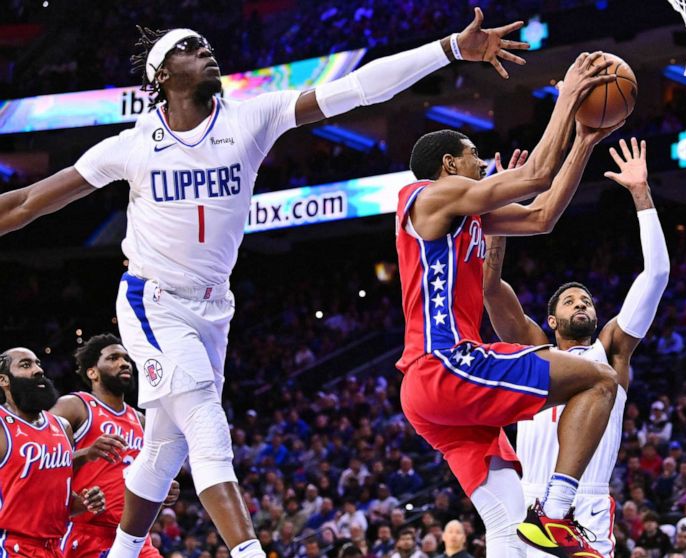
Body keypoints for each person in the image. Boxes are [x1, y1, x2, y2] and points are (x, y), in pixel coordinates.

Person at [0, 12, 532, 558]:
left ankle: (122, 552)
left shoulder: (251, 117)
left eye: (206, 41)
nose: (206, 48)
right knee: (206, 422)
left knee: (162, 445)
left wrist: (448, 48)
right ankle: (249, 551)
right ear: (162, 76)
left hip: (214, 308)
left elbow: (357, 88)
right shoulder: (131, 146)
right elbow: (22, 203)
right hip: (150, 300)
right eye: (189, 46)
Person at [395, 52, 621, 557]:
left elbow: (542, 216)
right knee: (599, 379)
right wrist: (565, 100)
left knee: (506, 523)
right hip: (446, 364)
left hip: (431, 396)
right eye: (474, 154)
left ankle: (542, 520)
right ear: (450, 165)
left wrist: (583, 142)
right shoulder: (428, 196)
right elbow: (538, 174)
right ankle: (559, 512)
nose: (483, 160)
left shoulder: (468, 215)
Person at [483, 136, 669, 557]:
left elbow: (656, 275)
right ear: (551, 321)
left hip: (583, 505)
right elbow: (489, 288)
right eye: (570, 300)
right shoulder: (534, 349)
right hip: (524, 500)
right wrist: (496, 205)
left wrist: (641, 194)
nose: (581, 302)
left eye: (586, 299)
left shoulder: (612, 351)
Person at [53, 335, 182, 558]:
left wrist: (161, 488)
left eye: (126, 358)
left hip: (134, 535)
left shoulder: (141, 421)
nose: (124, 363)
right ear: (92, 372)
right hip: (85, 533)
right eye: (113, 358)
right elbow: (39, 461)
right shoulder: (75, 406)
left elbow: (141, 480)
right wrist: (86, 453)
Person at [0, 348, 107, 558]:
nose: (38, 370)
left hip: (54, 547)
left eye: (38, 363)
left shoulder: (62, 426)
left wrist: (84, 503)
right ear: (4, 380)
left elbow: (62, 503)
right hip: (12, 547)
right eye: (25, 365)